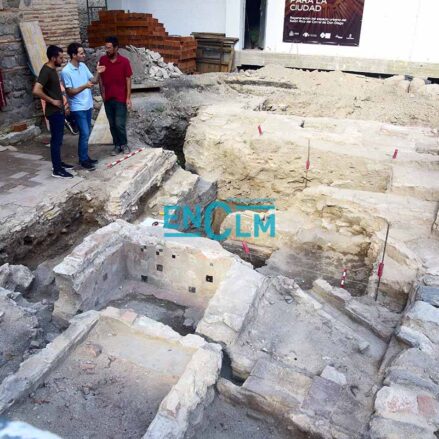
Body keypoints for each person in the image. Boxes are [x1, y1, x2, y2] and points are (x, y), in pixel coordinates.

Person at [61, 42, 106, 171]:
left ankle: (85, 157)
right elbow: (69, 92)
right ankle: (83, 159)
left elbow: (94, 81)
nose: (83, 55)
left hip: (88, 105)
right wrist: (84, 86)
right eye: (81, 53)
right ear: (74, 55)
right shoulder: (66, 71)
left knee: (87, 133)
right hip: (77, 107)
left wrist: (98, 72)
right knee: (85, 133)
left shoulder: (83, 66)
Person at [33, 45, 74, 178]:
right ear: (53, 58)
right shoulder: (46, 71)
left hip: (59, 110)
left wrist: (64, 105)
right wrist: (52, 101)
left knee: (59, 140)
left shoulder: (52, 69)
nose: (62, 60)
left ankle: (58, 163)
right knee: (56, 141)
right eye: (60, 57)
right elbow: (36, 90)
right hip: (53, 112)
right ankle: (57, 169)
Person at [99, 36, 133, 156]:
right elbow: (100, 78)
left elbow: (128, 79)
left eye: (109, 48)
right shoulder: (102, 60)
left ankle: (123, 144)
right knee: (112, 124)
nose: (107, 50)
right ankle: (117, 145)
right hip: (108, 98)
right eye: (105, 48)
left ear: (116, 48)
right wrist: (102, 94)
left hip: (120, 98)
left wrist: (128, 97)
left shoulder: (124, 62)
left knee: (119, 123)